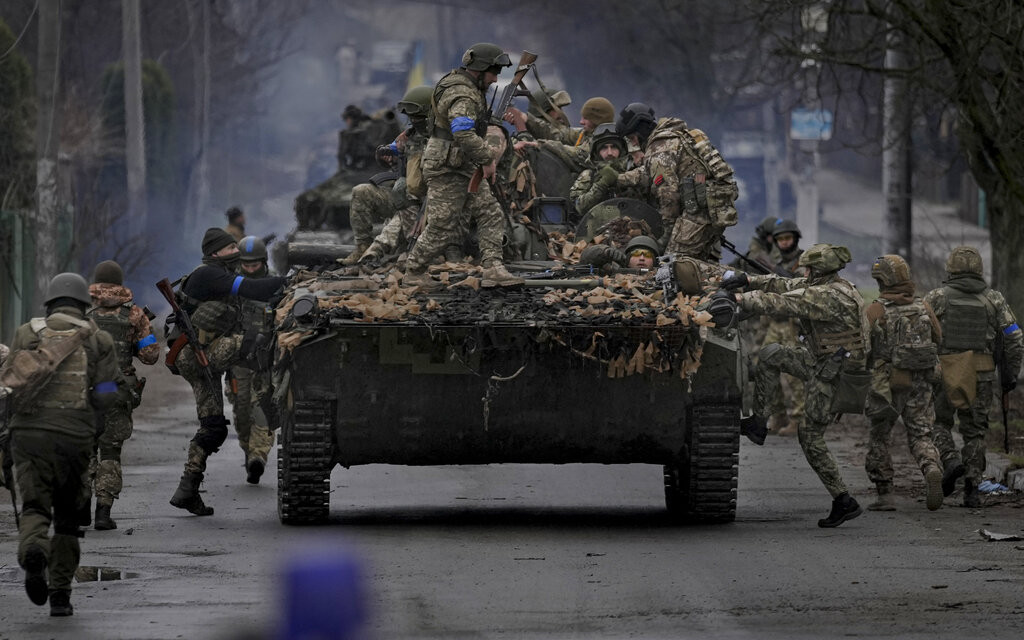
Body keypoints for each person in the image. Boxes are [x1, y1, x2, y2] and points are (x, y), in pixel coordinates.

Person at [726, 244, 866, 527]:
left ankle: (843, 500)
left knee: (810, 435)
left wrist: (739, 298)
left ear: (818, 270)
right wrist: (749, 279)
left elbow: (780, 302)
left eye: (808, 269)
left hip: (833, 374)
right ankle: (759, 422)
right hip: (821, 361)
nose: (804, 273)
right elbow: (785, 284)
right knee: (771, 354)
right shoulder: (830, 286)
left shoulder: (827, 296)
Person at [6, 273, 121, 615]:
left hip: (28, 435)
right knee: (68, 518)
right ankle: (60, 595)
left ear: (50, 303)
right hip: (74, 437)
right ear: (84, 305)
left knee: (35, 506)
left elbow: (10, 383)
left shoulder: (26, 333)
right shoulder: (98, 338)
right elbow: (107, 393)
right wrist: (91, 414)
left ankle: (34, 550)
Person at [168, 228, 288, 516]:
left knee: (214, 428)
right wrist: (291, 281)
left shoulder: (217, 272)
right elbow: (253, 289)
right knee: (257, 342)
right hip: (197, 355)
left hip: (199, 360)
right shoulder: (208, 274)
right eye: (230, 248)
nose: (236, 251)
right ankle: (274, 400)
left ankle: (187, 489)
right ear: (215, 253)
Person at [401, 42, 521, 288]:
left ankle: (493, 268)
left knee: (490, 212)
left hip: (461, 163)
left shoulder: (462, 86)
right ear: (480, 69)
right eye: (493, 72)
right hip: (448, 167)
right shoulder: (462, 94)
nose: (495, 78)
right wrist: (487, 158)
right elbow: (463, 133)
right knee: (442, 226)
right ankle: (414, 271)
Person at [925, 246, 1023, 507]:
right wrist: (1011, 374)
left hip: (946, 371)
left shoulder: (936, 297)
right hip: (982, 373)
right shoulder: (994, 299)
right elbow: (1014, 336)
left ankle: (950, 460)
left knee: (937, 422)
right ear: (979, 269)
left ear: (951, 268)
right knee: (975, 431)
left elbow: (921, 331)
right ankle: (972, 488)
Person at [863, 255, 944, 511]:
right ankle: (931, 467)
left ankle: (885, 494)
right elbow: (938, 338)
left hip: (887, 383)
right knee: (921, 433)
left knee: (879, 435)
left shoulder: (876, 310)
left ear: (882, 281)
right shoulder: (923, 306)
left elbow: (863, 346)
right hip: (922, 379)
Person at [85, 260, 160, 529]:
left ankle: (80, 505)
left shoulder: (83, 313)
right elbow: (150, 356)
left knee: (85, 447)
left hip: (86, 388)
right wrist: (141, 338)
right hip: (116, 389)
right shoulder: (135, 315)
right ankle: (103, 512)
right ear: (120, 283)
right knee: (110, 450)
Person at [616, 103, 739, 261]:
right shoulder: (674, 136)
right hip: (713, 205)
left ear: (641, 130)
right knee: (694, 262)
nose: (634, 143)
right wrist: (619, 178)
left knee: (673, 262)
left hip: (698, 211)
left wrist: (663, 238)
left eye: (633, 138)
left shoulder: (659, 148)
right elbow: (650, 173)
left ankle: (732, 275)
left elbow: (668, 197)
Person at [343, 85, 433, 265]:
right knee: (361, 191)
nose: (413, 121)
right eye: (411, 117)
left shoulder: (442, 138)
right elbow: (391, 149)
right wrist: (386, 155)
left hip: (430, 202)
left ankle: (383, 251)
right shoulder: (409, 136)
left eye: (418, 117)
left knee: (402, 199)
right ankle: (362, 246)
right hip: (403, 196)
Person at [229, 237, 277, 484]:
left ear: (263, 262)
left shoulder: (275, 284)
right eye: (245, 265)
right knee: (241, 409)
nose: (249, 269)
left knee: (262, 408)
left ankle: (258, 456)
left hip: (265, 359)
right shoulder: (232, 284)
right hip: (238, 359)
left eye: (254, 265)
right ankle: (249, 450)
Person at [761, 219, 805, 436]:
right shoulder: (776, 261)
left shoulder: (804, 263)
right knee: (765, 368)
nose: (784, 242)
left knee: (794, 374)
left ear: (795, 238)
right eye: (780, 239)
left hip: (792, 324)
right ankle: (778, 415)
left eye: (788, 238)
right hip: (775, 322)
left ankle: (798, 419)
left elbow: (805, 289)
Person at [569, 123, 647, 216]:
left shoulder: (634, 172)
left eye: (614, 147)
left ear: (621, 150)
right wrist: (602, 184)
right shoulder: (588, 175)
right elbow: (579, 207)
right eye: (604, 148)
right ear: (597, 152)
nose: (609, 152)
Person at [578, 234, 661, 274]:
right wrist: (603, 252)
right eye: (636, 253)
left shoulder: (662, 277)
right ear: (628, 258)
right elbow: (584, 259)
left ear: (654, 261)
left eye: (647, 255)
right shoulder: (614, 271)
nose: (642, 258)